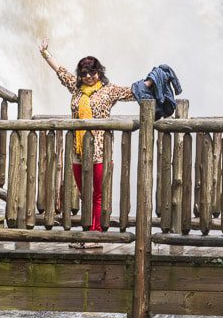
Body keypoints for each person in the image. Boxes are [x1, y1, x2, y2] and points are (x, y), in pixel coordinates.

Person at [39, 38, 152, 244]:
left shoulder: (109, 90)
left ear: (99, 72)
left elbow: (133, 91)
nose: (89, 76)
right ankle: (87, 232)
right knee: (84, 193)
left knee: (97, 194)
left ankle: (96, 233)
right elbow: (61, 71)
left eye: (92, 72)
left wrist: (152, 80)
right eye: (84, 73)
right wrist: (45, 53)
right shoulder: (76, 88)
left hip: (100, 149)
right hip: (78, 150)